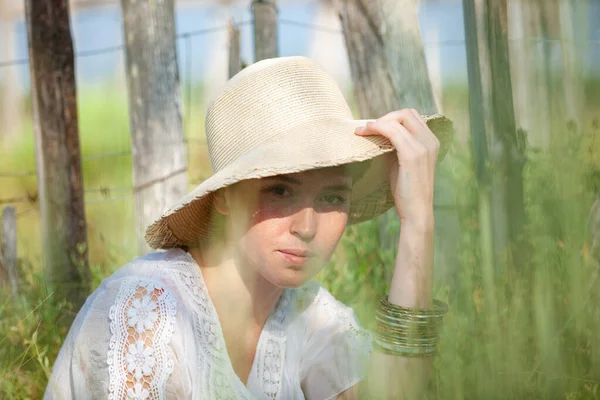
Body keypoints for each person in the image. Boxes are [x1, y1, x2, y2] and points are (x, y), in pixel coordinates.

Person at [44, 56, 453, 399]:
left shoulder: (309, 315)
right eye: (279, 190)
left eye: (332, 198)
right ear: (222, 195)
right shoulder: (148, 311)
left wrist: (418, 221)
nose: (307, 227)